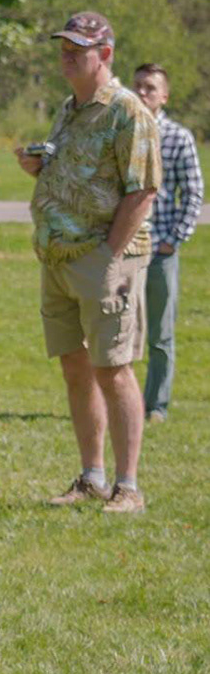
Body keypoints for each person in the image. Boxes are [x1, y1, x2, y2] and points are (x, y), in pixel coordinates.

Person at [17, 12, 162, 514]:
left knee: (113, 369)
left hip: (103, 259)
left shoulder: (128, 111)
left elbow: (142, 190)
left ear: (106, 54)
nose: (67, 56)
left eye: (78, 48)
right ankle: (92, 477)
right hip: (57, 257)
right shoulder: (71, 106)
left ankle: (129, 487)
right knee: (75, 368)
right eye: (64, 47)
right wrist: (40, 166)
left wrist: (109, 255)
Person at [131, 63, 202, 423]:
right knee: (118, 337)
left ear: (164, 96)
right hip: (123, 251)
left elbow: (193, 195)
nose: (143, 93)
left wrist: (173, 241)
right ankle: (122, 406)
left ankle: (155, 405)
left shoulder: (178, 138)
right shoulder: (122, 132)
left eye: (150, 87)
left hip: (159, 251)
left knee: (160, 334)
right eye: (138, 86)